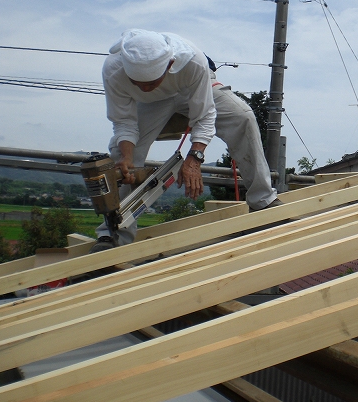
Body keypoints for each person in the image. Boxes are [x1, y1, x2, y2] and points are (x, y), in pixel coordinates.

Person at [91, 29, 281, 253]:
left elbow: (205, 115)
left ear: (170, 64)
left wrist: (195, 158)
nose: (143, 87)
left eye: (150, 83)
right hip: (152, 103)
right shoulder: (114, 69)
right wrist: (127, 157)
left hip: (191, 88)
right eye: (137, 83)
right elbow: (124, 122)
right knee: (119, 153)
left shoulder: (193, 62)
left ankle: (263, 201)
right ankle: (113, 233)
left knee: (243, 117)